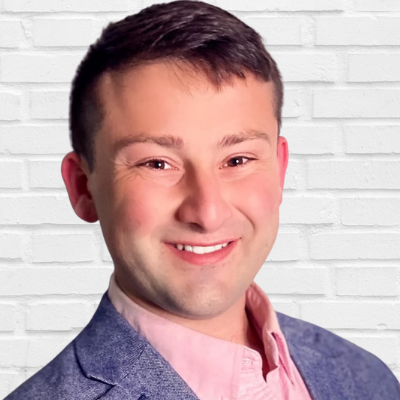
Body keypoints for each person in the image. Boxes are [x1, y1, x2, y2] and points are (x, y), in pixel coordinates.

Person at [5, 1, 400, 399]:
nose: (207, 212)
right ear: (82, 187)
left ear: (279, 171)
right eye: (157, 163)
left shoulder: (366, 377)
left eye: (238, 159)